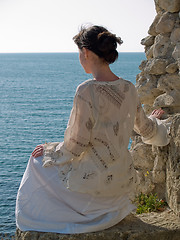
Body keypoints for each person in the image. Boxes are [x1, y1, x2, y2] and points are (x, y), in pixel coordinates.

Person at [16, 25, 170, 234]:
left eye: (79, 53)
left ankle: (60, 216)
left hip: (93, 189)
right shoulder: (128, 88)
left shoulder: (86, 90)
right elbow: (146, 129)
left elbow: (75, 147)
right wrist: (154, 119)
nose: (79, 58)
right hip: (120, 187)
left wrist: (50, 150)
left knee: (35, 162)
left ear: (86, 52)